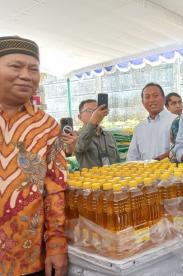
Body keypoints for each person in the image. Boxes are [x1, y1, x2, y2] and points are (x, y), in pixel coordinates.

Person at [0, 36, 67, 276]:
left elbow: (56, 187)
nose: (27, 75)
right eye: (16, 66)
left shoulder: (48, 127)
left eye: (34, 69)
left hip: (29, 257)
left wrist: (57, 243)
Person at [127, 83, 176, 161]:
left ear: (164, 99)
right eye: (147, 97)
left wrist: (157, 160)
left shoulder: (175, 121)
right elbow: (132, 157)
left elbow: (181, 149)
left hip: (172, 172)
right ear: (143, 102)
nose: (152, 100)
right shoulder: (139, 128)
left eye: (155, 96)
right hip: (145, 172)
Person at [74, 99, 120, 169]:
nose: (94, 113)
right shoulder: (76, 136)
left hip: (112, 178)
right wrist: (92, 123)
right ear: (80, 117)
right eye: (89, 111)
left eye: (96, 110)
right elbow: (80, 147)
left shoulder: (109, 136)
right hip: (91, 179)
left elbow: (117, 161)